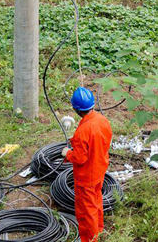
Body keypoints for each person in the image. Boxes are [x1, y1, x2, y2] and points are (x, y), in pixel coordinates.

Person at [61, 87, 112, 242]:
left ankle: (90, 238)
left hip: (86, 177)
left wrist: (67, 153)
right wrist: (76, 140)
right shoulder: (102, 120)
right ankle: (99, 229)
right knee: (96, 202)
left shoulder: (83, 130)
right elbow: (99, 141)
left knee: (86, 211)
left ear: (76, 109)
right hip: (99, 170)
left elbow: (80, 158)